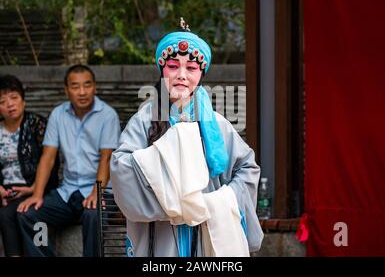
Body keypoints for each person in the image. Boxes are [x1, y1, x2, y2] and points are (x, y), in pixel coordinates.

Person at [110, 18, 264, 257]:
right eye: (173, 66)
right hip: (159, 234)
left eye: (191, 68)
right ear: (162, 70)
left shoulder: (218, 125)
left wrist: (220, 200)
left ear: (201, 74)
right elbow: (121, 168)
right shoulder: (143, 121)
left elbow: (247, 168)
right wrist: (173, 200)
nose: (181, 75)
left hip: (207, 228)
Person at [17, 65, 121, 257]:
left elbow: (106, 158)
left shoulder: (108, 115)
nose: (82, 92)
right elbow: (48, 156)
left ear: (94, 87)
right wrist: (37, 194)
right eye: (75, 86)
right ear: (66, 90)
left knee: (93, 215)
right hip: (68, 191)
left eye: (87, 85)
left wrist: (96, 193)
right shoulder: (58, 114)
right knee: (28, 215)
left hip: (99, 189)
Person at [0, 75, 59, 257]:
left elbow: (51, 162)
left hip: (34, 187)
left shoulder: (37, 125)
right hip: (5, 190)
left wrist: (34, 188)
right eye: (2, 101)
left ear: (23, 100)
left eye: (14, 98)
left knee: (10, 213)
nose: (10, 104)